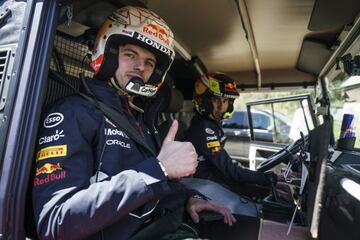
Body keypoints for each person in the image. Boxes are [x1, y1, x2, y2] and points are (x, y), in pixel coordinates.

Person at [32, 6, 235, 240]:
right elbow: (55, 222)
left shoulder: (140, 119)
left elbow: (154, 183)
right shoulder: (73, 114)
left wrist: (189, 197)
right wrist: (159, 169)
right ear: (107, 54)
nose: (141, 66)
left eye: (149, 62)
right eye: (130, 55)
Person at [184, 72, 275, 196]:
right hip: (201, 185)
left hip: (211, 179)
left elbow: (226, 167)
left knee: (264, 192)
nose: (221, 107)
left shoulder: (211, 125)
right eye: (216, 100)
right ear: (203, 100)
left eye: (225, 100)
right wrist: (270, 178)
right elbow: (231, 171)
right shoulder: (203, 128)